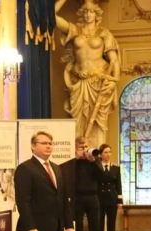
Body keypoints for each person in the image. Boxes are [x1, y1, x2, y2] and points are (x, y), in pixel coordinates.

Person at [55, 0, 120, 145]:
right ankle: (79, 152)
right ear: (81, 14)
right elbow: (53, 16)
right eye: (85, 12)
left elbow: (114, 60)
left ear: (97, 15)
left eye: (91, 12)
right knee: (77, 120)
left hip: (98, 82)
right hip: (79, 82)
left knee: (98, 120)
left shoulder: (104, 33)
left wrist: (114, 81)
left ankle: (97, 151)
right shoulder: (75, 30)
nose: (88, 15)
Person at [62, 136, 107, 231]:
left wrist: (92, 161)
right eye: (81, 147)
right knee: (79, 229)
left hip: (93, 196)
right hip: (77, 197)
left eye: (86, 146)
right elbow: (66, 175)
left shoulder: (94, 158)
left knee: (96, 227)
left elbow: (102, 177)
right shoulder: (72, 160)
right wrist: (76, 159)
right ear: (76, 147)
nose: (85, 149)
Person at [97, 144, 123, 231]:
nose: (108, 155)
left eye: (109, 152)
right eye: (105, 152)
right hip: (99, 199)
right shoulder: (97, 167)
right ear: (100, 154)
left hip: (112, 199)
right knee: (99, 227)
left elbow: (118, 185)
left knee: (111, 227)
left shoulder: (116, 167)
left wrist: (119, 200)